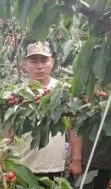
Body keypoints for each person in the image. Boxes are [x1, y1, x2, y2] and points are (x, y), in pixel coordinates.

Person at [8, 41, 69, 180]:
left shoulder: (62, 90)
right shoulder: (18, 94)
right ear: (26, 65)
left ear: (52, 62)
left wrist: (76, 157)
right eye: (34, 61)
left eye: (44, 60)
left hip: (56, 167)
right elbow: (8, 132)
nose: (39, 66)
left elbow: (73, 126)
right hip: (25, 167)